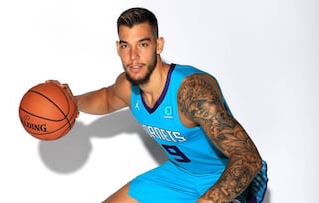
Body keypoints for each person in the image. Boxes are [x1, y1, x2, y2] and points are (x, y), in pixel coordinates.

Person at [48, 7, 268, 203]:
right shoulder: (127, 86)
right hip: (181, 175)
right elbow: (106, 99)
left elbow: (248, 158)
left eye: (142, 44)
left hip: (227, 176)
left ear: (158, 45)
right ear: (118, 48)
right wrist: (71, 101)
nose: (133, 57)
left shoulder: (192, 91)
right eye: (126, 46)